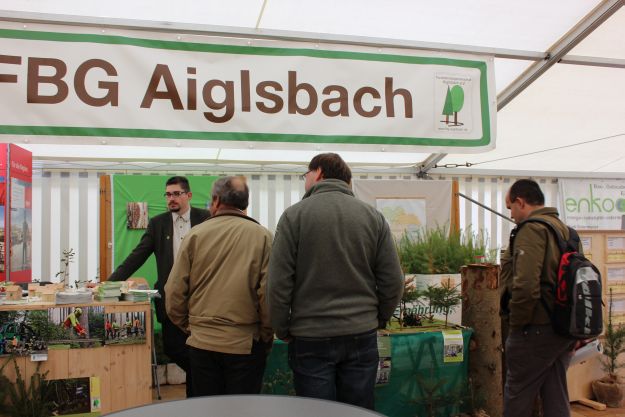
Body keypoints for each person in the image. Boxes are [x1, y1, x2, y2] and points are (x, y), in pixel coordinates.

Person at [267, 153, 404, 410]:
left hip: (310, 335)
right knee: (358, 411)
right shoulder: (373, 217)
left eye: (306, 174)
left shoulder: (294, 216)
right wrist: (379, 318)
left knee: (318, 412)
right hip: (361, 332)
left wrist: (282, 328)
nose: (305, 180)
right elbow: (393, 280)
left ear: (318, 173)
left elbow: (278, 283)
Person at [165, 176, 274, 397]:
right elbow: (268, 296)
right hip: (245, 344)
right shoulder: (263, 237)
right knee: (242, 410)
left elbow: (174, 292)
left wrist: (192, 326)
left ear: (215, 201)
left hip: (202, 343)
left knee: (207, 409)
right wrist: (264, 335)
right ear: (245, 202)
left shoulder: (195, 235)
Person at [108, 176, 210, 396]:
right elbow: (137, 256)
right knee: (174, 349)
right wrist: (109, 282)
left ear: (188, 195)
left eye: (176, 194)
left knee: (200, 353)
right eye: (168, 194)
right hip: (171, 301)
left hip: (202, 300)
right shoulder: (158, 223)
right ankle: (201, 387)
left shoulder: (206, 219)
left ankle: (196, 400)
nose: (171, 198)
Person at [500, 179, 577, 417]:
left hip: (535, 328)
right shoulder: (565, 230)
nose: (511, 215)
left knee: (517, 395)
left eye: (511, 207)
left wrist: (516, 327)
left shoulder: (531, 230)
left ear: (520, 202)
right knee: (555, 394)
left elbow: (525, 286)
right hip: (563, 328)